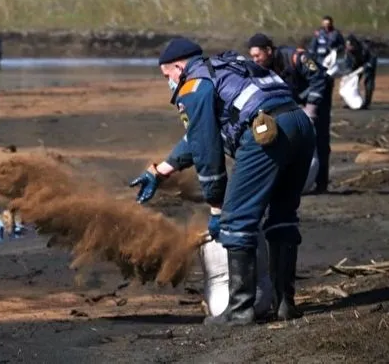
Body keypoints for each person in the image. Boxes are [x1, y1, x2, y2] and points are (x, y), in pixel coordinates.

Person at [129, 37, 316, 326]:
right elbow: (199, 135)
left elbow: (206, 148)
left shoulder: (194, 84)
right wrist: (160, 170)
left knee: (236, 220)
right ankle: (284, 304)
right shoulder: (229, 65)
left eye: (167, 76)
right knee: (282, 216)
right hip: (300, 125)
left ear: (179, 67)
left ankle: (239, 310)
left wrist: (217, 206)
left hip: (266, 133)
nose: (169, 82)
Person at [248, 33, 333, 194]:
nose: (255, 60)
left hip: (319, 93)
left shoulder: (297, 57)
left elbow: (319, 79)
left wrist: (312, 108)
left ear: (268, 50)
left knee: (319, 137)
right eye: (252, 57)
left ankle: (321, 184)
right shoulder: (264, 68)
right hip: (296, 95)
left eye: (257, 55)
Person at [345, 34, 377, 110]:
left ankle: (367, 103)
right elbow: (348, 64)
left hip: (368, 62)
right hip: (356, 64)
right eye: (347, 46)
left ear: (355, 44)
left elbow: (373, 59)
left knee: (368, 82)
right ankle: (351, 101)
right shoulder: (348, 51)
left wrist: (365, 67)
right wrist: (349, 73)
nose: (348, 48)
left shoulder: (366, 47)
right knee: (351, 81)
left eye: (350, 46)